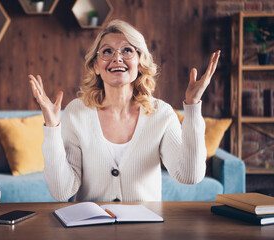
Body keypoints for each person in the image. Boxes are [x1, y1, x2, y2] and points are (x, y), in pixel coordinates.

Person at [29, 19, 220, 202]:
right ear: (96, 66)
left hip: (145, 230)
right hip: (91, 230)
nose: (117, 58)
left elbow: (190, 176)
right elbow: (62, 191)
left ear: (140, 62)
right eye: (107, 51)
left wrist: (193, 106)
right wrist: (52, 127)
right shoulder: (76, 112)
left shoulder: (161, 114)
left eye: (127, 50)